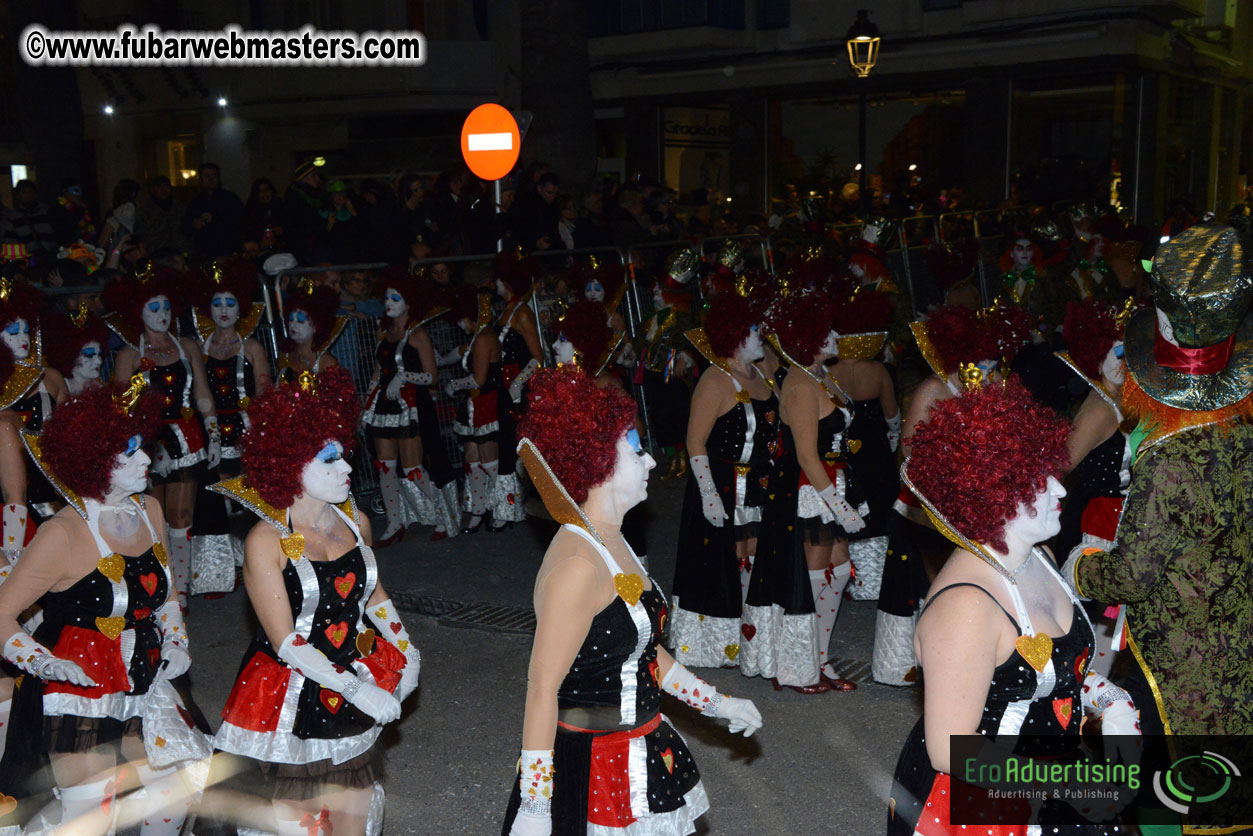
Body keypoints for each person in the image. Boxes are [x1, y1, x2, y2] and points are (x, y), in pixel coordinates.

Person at [502, 367, 762, 835]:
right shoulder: (578, 565)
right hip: (592, 765)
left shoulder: (615, 542)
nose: (652, 463)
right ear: (597, 461)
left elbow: (640, 652)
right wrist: (537, 805)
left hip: (640, 744)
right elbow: (541, 688)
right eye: (637, 449)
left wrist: (716, 703)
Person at [887, 378, 1140, 835]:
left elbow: (1058, 669)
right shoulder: (965, 607)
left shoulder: (1035, 556)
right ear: (992, 496)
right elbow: (950, 749)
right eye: (1039, 482)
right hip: (980, 803)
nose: (1061, 491)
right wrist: (1070, 783)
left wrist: (1109, 698)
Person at [212, 366, 419, 836]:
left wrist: (410, 652)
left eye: (345, 456)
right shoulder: (265, 540)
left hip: (350, 673)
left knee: (354, 818)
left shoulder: (356, 522)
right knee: (300, 823)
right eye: (330, 461)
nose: (347, 468)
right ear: (289, 466)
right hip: (291, 695)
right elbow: (284, 640)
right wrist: (355, 688)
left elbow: (376, 597)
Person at [1064, 223, 1253, 735]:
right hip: (1237, 638)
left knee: (1171, 792)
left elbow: (1133, 576)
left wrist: (1078, 568)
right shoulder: (1240, 432)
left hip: (1179, 653)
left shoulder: (1167, 458)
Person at [0, 381, 206, 835]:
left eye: (143, 447)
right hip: (79, 687)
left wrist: (176, 641)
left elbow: (166, 594)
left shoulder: (149, 509)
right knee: (93, 814)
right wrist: (43, 662)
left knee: (178, 789)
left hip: (144, 672)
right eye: (129, 452)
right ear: (92, 461)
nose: (147, 460)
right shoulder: (63, 534)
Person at [872, 302, 1032, 686]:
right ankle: (943, 663)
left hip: (982, 504)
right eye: (984, 361)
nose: (991, 369)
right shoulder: (933, 388)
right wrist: (948, 462)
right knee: (941, 581)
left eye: (996, 361)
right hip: (930, 504)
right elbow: (908, 452)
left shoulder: (998, 386)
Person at [741, 288, 867, 693]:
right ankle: (795, 664)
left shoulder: (819, 375)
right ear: (807, 335)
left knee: (841, 572)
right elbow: (808, 456)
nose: (834, 336)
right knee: (810, 580)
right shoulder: (799, 383)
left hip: (832, 485)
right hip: (809, 490)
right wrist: (838, 505)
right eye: (826, 330)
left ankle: (819, 657)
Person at [670, 292, 779, 669]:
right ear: (733, 336)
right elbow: (695, 440)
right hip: (722, 483)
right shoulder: (716, 380)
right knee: (723, 561)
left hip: (760, 485)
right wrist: (708, 494)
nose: (759, 336)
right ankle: (721, 644)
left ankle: (751, 635)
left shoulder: (763, 373)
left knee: (755, 556)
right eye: (752, 330)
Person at [105, 267, 220, 605]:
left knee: (181, 517)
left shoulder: (187, 346)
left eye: (166, 308)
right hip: (147, 440)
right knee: (151, 518)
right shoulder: (129, 355)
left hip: (187, 436)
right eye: (153, 308)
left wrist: (212, 433)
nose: (162, 315)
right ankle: (158, 587)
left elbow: (202, 391)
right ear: (138, 313)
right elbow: (121, 407)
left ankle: (179, 590)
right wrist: (147, 446)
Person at [187, 257, 271, 597]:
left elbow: (265, 392)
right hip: (208, 429)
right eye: (217, 303)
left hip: (246, 428)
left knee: (250, 496)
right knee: (214, 496)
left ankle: (259, 559)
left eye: (230, 303)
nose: (223, 310)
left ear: (241, 309)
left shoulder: (251, 347)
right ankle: (219, 569)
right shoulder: (198, 349)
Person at [362, 267, 459, 544]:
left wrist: (404, 376)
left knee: (414, 468)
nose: (389, 302)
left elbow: (432, 376)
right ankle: (395, 522)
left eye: (396, 297)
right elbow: (378, 371)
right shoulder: (384, 332)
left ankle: (443, 516)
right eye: (386, 298)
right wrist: (367, 401)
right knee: (384, 466)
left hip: (411, 407)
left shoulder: (417, 334)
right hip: (383, 407)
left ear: (410, 301)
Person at [828, 288, 900, 602]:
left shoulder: (829, 373)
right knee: (881, 504)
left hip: (843, 449)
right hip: (876, 450)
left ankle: (856, 578)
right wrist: (894, 443)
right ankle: (880, 578)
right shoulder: (878, 370)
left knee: (850, 504)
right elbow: (892, 415)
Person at [1, 277, 68, 559]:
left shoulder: (50, 377)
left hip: (49, 478)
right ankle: (12, 563)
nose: (23, 338)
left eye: (26, 330)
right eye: (13, 332)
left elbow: (71, 430)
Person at [489, 251, 544, 530]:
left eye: (499, 279)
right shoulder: (506, 310)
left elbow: (538, 356)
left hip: (519, 393)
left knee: (520, 446)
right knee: (507, 445)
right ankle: (509, 508)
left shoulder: (522, 313)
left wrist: (518, 383)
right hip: (504, 389)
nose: (495, 283)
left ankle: (522, 505)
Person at [444, 286, 504, 533]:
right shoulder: (475, 339)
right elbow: (453, 355)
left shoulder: (483, 339)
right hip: (473, 406)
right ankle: (479, 509)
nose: (459, 324)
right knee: (472, 458)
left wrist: (454, 384)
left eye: (462, 318)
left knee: (490, 462)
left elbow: (479, 379)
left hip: (487, 404)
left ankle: (502, 509)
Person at [277, 281, 345, 382]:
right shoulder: (285, 356)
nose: (293, 325)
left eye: (300, 320)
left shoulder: (326, 363)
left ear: (317, 325)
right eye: (291, 319)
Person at [43, 303, 109, 396]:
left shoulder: (103, 390)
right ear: (69, 355)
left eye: (99, 354)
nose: (98, 361)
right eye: (89, 354)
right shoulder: (58, 391)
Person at [181, 163, 244, 259]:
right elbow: (185, 227)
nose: (211, 179)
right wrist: (193, 224)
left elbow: (240, 221)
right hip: (204, 254)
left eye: (214, 175)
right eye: (206, 176)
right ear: (201, 179)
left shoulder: (230, 199)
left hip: (228, 252)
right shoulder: (195, 202)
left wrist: (215, 218)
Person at [134, 176, 191, 255]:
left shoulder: (182, 208)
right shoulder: (144, 211)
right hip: (157, 255)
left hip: (182, 253)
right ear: (153, 190)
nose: (163, 190)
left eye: (166, 186)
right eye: (159, 187)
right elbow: (141, 236)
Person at [243, 177, 284, 250]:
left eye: (267, 190)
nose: (264, 194)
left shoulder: (280, 206)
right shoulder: (250, 211)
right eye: (260, 191)